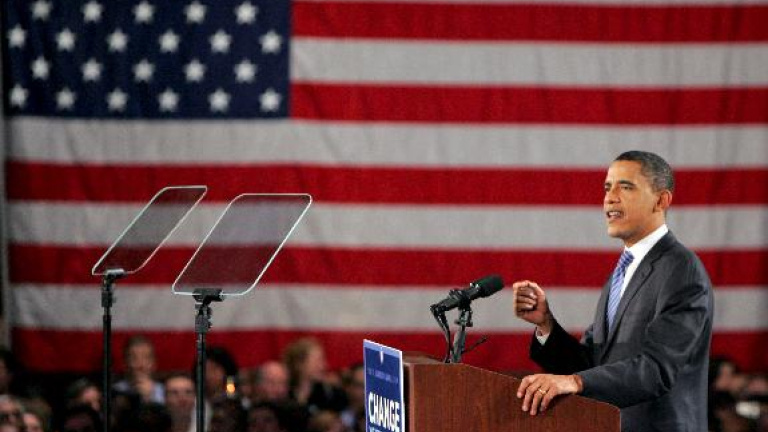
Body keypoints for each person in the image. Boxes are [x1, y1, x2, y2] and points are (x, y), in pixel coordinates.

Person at [512, 151, 713, 431]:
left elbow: (657, 369)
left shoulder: (680, 269)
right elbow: (591, 364)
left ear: (661, 200)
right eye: (608, 187)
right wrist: (546, 324)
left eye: (625, 187)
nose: (610, 197)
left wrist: (575, 382)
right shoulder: (623, 271)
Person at [114, 336, 164, 403]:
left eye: (146, 358)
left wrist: (150, 398)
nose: (140, 365)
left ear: (154, 363)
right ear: (125, 363)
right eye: (134, 358)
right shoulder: (115, 392)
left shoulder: (167, 392)